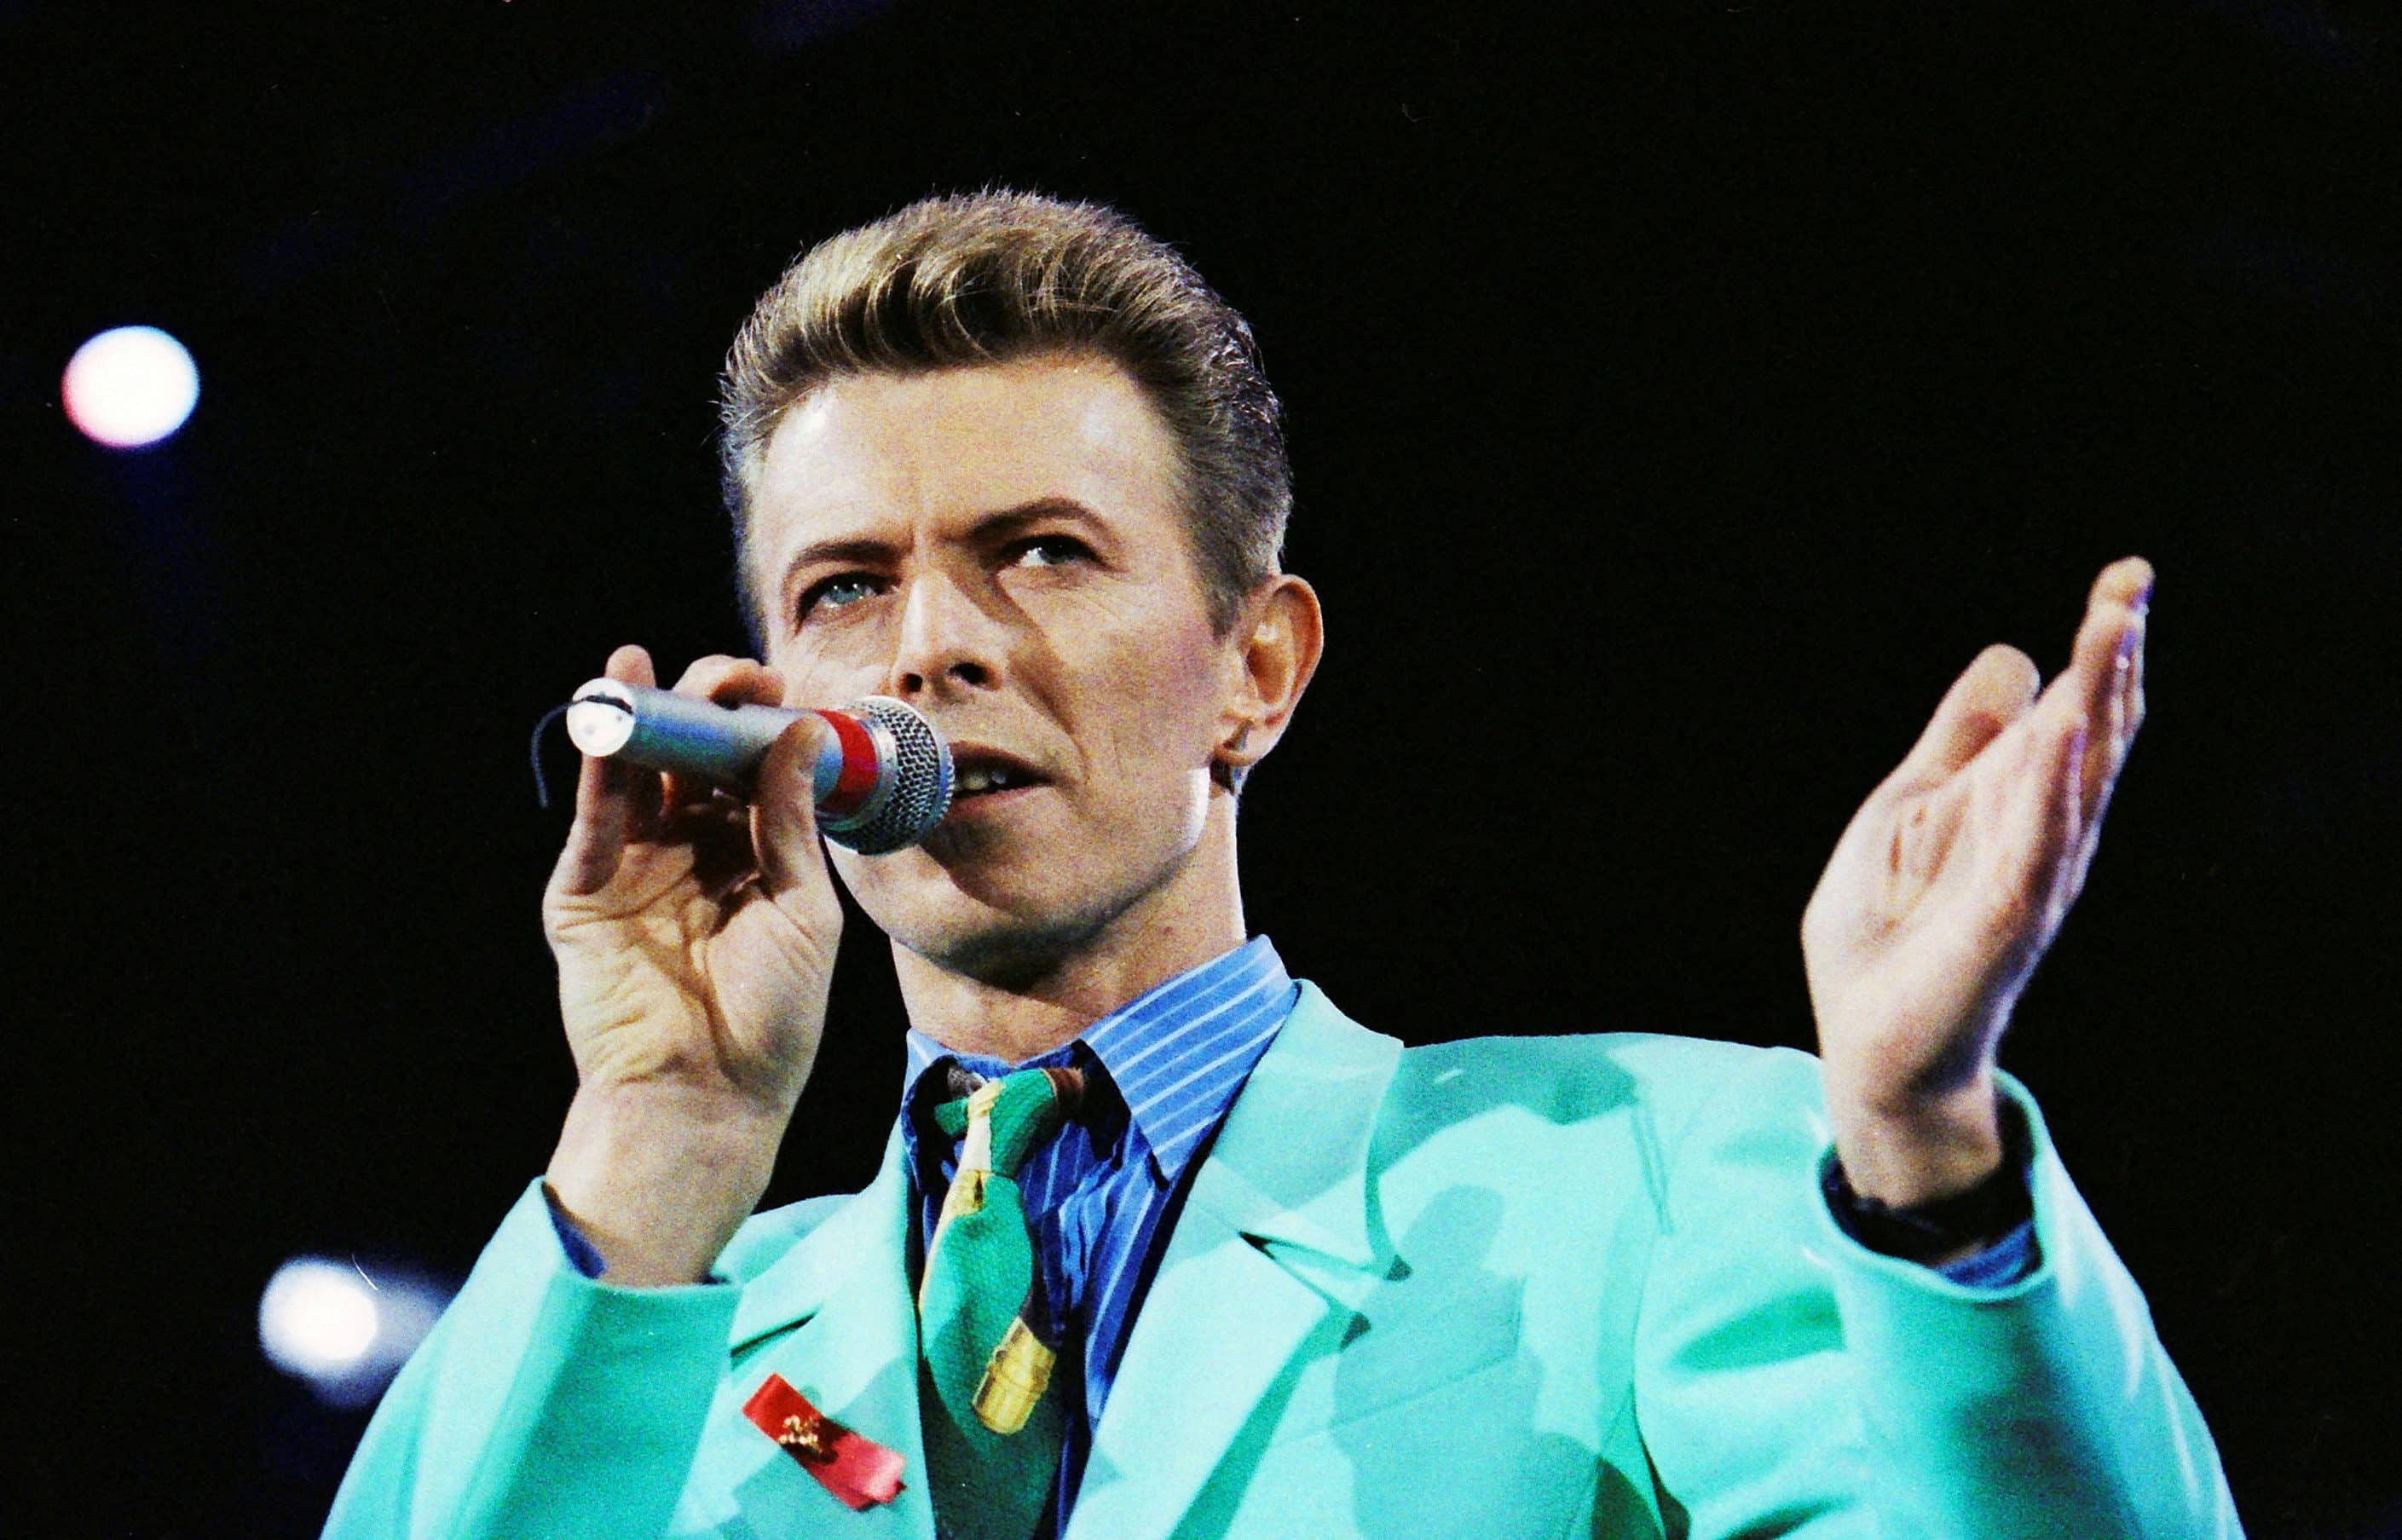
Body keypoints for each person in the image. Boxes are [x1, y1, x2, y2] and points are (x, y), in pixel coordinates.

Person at [323, 191, 2242, 1539]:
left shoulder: (1660, 1172)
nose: (928, 647)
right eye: (846, 587)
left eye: (1042, 552)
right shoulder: (657, 1318)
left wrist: (1922, 1157)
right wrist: (657, 1137)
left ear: (1255, 670)